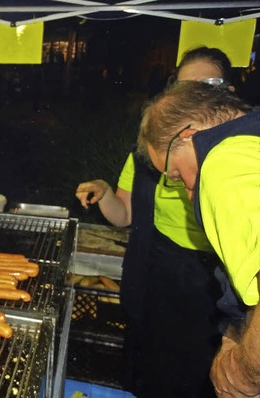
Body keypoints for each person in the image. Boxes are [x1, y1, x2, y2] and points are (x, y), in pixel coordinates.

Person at [74, 47, 242, 397]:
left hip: (209, 286)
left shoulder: (241, 159)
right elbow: (126, 214)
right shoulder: (152, 148)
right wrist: (105, 192)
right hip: (154, 272)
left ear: (227, 92)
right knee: (145, 368)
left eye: (205, 86)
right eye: (184, 88)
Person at [137, 80, 260, 398]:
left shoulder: (224, 164)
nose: (190, 192)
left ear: (188, 136)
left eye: (175, 175)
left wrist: (246, 372)